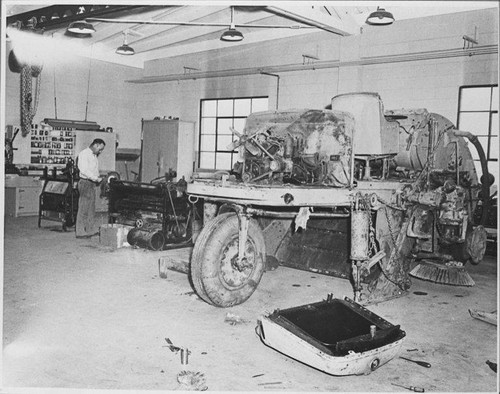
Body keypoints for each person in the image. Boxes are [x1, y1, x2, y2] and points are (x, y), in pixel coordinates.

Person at [75, 138, 106, 238]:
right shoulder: (84, 154)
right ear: (96, 145)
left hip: (92, 184)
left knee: (91, 209)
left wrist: (98, 179)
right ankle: (80, 232)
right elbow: (84, 170)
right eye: (100, 149)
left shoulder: (94, 156)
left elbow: (94, 171)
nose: (100, 151)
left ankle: (89, 230)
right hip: (85, 183)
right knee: (83, 208)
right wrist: (95, 178)